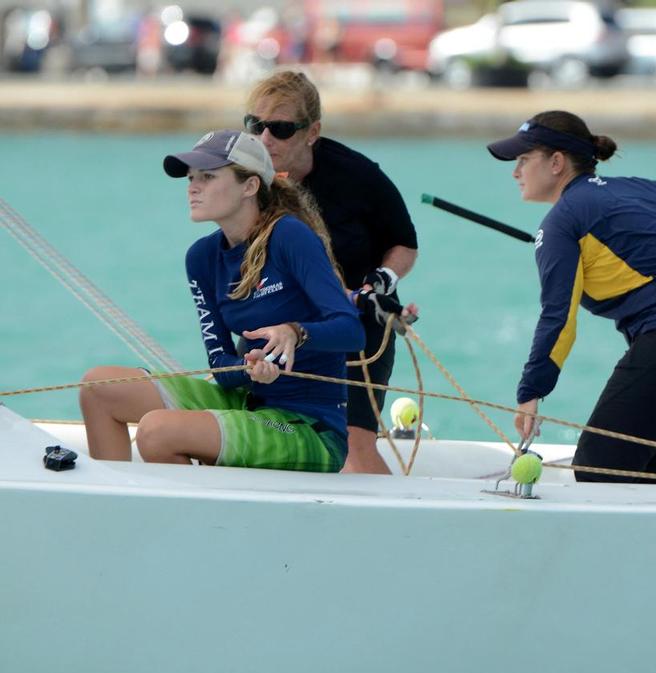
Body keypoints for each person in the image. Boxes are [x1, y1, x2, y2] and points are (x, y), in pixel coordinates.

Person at [79, 130, 411, 471]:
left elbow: (350, 331)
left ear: (250, 186)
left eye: (208, 177)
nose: (193, 187)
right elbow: (222, 368)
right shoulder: (201, 258)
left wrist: (295, 332)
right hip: (247, 402)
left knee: (155, 432)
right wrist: (249, 371)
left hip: (309, 427)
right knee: (98, 387)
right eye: (192, 178)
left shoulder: (290, 236)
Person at [487, 111, 656, 484]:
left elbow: (559, 316)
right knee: (648, 482)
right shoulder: (645, 188)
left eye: (523, 159)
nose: (515, 171)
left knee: (597, 471)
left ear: (556, 163)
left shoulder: (561, 222)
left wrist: (531, 391)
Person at [244, 70, 418, 475]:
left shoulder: (359, 176)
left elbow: (405, 244)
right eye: (255, 126)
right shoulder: (247, 178)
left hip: (356, 323)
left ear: (312, 131)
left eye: (282, 129)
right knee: (268, 432)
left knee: (354, 445)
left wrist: (382, 281)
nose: (265, 139)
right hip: (278, 324)